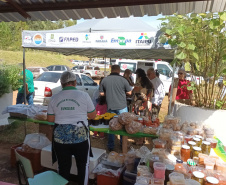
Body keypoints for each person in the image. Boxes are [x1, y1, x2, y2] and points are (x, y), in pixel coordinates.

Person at [47, 71, 96, 185]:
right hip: (81, 137)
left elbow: (50, 119)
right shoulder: (84, 95)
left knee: (63, 167)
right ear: (75, 82)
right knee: (82, 166)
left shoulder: (54, 98)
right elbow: (92, 115)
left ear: (61, 83)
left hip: (60, 138)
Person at [100, 65, 132, 151]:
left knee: (111, 125)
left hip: (110, 106)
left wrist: (110, 93)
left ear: (111, 70)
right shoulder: (123, 80)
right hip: (122, 106)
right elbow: (129, 92)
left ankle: (111, 146)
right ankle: (122, 143)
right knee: (123, 125)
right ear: (119, 70)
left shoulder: (104, 80)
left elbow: (101, 94)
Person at [132, 68, 154, 145]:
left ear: (139, 76)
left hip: (140, 105)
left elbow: (135, 93)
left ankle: (139, 140)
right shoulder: (149, 83)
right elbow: (152, 95)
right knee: (145, 122)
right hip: (148, 105)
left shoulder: (139, 84)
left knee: (139, 122)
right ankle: (143, 138)